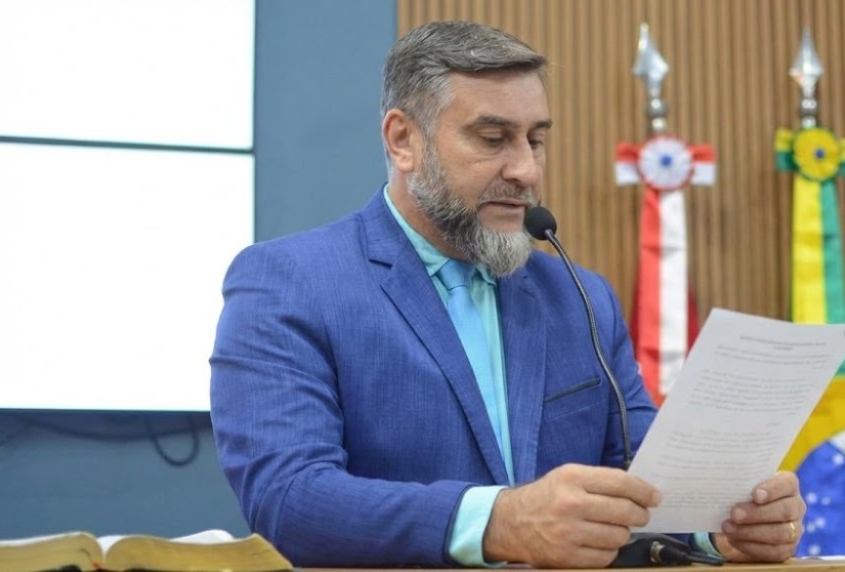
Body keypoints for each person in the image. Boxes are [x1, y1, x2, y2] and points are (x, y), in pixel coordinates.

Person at [210, 20, 805, 568]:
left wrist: (719, 525)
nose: (526, 171)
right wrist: (500, 522)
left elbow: (643, 481)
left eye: (535, 140)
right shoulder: (289, 283)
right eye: (493, 138)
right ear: (403, 140)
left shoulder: (581, 298)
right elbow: (287, 499)